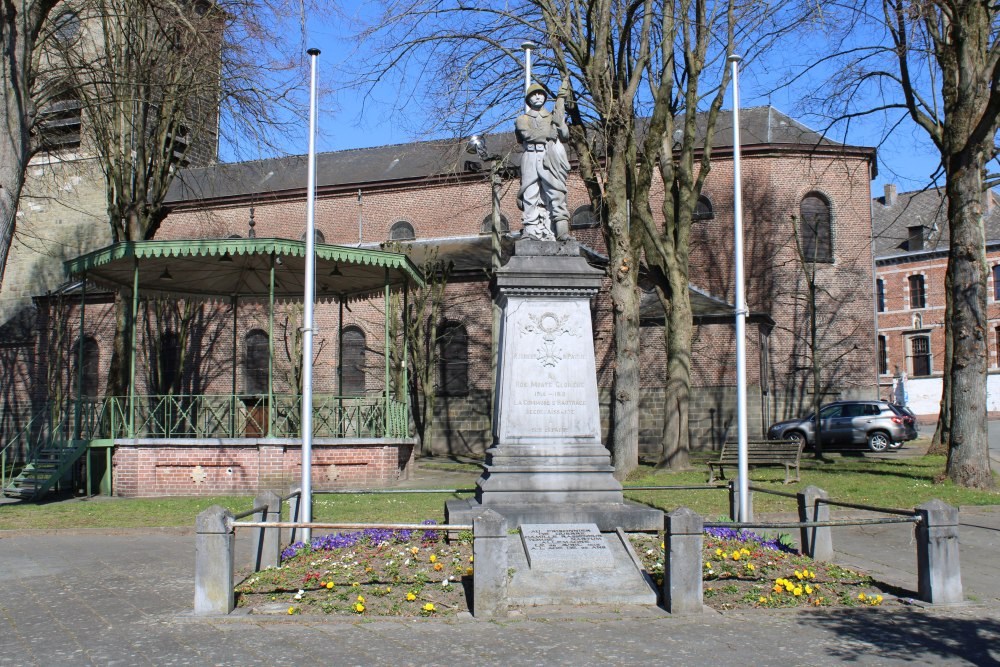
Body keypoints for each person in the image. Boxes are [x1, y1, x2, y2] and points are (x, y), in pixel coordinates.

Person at [516, 82, 572, 241]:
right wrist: (549, 132)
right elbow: (527, 135)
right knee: (530, 193)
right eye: (533, 94)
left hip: (550, 155)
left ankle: (561, 231)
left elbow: (565, 136)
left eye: (540, 94)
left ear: (545, 97)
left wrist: (560, 124)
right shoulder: (522, 119)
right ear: (528, 99)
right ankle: (530, 231)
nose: (537, 96)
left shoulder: (553, 117)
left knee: (556, 192)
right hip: (531, 156)